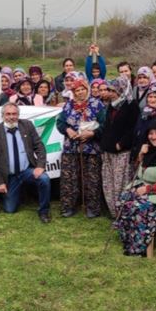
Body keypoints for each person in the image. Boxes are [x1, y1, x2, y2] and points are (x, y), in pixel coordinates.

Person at [114, 119, 156, 256]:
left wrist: (148, 189)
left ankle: (138, 246)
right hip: (142, 188)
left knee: (138, 206)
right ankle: (128, 239)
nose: (154, 137)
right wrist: (140, 155)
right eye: (151, 133)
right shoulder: (148, 152)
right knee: (122, 200)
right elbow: (138, 173)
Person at [0, 102, 51, 223]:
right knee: (10, 209)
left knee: (44, 178)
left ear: (18, 115)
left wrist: (40, 166)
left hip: (27, 170)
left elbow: (39, 147)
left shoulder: (27, 125)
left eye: (14, 114)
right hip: (9, 176)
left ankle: (44, 211)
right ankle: (20, 194)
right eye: (8, 114)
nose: (11, 117)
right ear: (3, 116)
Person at [56, 78, 105, 218]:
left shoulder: (97, 105)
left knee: (92, 178)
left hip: (91, 148)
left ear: (87, 89)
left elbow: (104, 124)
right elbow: (59, 123)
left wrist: (92, 133)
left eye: (82, 89)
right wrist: (67, 130)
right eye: (77, 90)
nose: (80, 92)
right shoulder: (68, 106)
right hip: (71, 147)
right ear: (73, 92)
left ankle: (92, 208)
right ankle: (68, 206)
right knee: (69, 178)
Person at [99, 78, 138, 217]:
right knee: (109, 182)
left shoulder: (131, 105)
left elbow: (132, 128)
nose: (110, 93)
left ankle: (123, 212)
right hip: (107, 150)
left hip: (122, 151)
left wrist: (121, 143)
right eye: (109, 90)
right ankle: (113, 212)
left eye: (113, 90)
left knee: (121, 183)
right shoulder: (111, 105)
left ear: (121, 90)